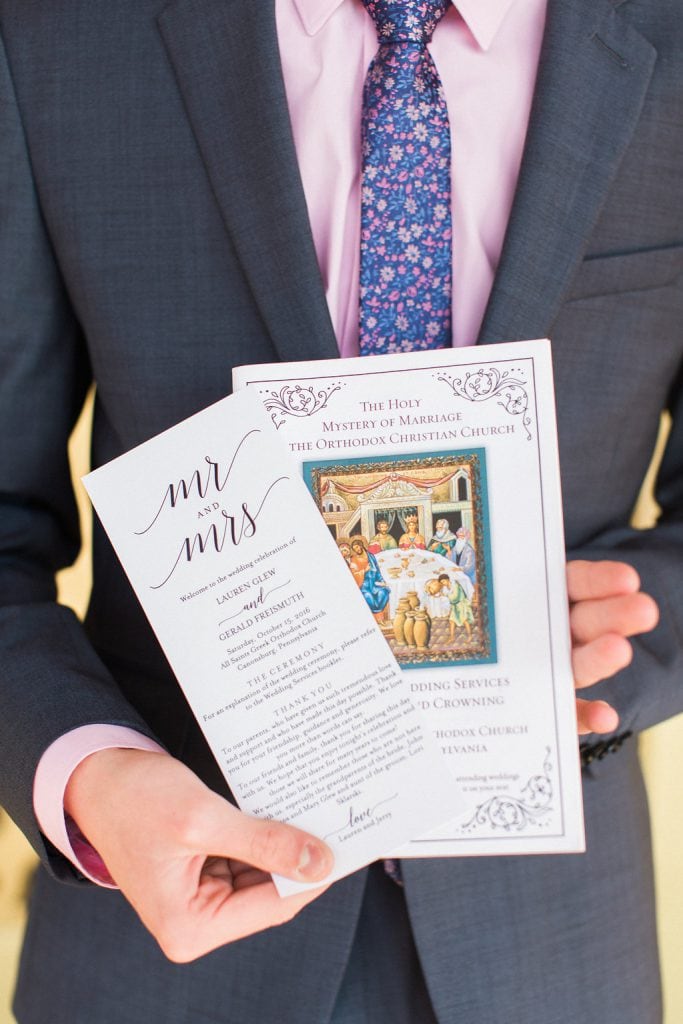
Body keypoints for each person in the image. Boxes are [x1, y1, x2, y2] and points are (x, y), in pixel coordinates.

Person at [0, 2, 680, 1023]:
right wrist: (88, 772)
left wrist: (626, 633)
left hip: (549, 947)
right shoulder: (61, 32)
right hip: (160, 949)